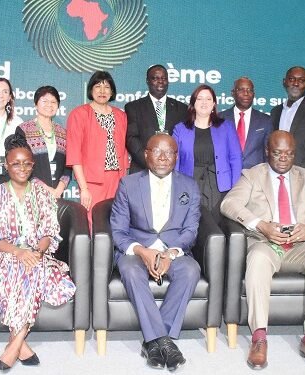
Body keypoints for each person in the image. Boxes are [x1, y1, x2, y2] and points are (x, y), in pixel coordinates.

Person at [221, 130, 305, 371]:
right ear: (267, 152)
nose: (284, 158)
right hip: (266, 244)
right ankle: (259, 337)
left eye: (289, 153)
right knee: (256, 258)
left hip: (300, 245)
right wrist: (261, 225)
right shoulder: (252, 175)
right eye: (278, 153)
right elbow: (229, 203)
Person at [0, 131, 75, 371]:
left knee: (30, 266)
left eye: (27, 163)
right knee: (16, 265)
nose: (22, 168)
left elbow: (49, 232)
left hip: (38, 255)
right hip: (5, 255)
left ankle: (15, 343)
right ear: (7, 165)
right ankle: (20, 343)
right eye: (16, 163)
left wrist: (37, 251)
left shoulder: (42, 195)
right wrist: (18, 252)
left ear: (33, 165)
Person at [110, 134, 201, 372]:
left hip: (173, 250)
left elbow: (191, 229)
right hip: (137, 250)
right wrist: (142, 251)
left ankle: (154, 341)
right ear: (146, 154)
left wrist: (170, 254)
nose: (162, 157)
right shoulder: (128, 184)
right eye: (157, 151)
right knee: (129, 270)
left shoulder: (189, 186)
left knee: (191, 270)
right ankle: (164, 341)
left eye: (169, 152)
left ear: (176, 156)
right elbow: (118, 231)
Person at [172, 84, 241, 224]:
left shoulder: (226, 127)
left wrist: (235, 190)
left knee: (218, 228)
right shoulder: (180, 129)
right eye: (199, 98)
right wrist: (177, 187)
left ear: (214, 104)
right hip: (190, 186)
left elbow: (236, 158)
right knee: (192, 226)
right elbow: (175, 161)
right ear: (193, 103)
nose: (204, 102)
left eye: (208, 99)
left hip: (221, 186)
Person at [66, 71, 128, 225]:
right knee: (93, 222)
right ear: (90, 89)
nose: (102, 91)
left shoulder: (121, 116)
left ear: (112, 91)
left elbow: (125, 151)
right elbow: (74, 154)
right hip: (92, 182)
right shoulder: (79, 114)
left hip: (117, 180)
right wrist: (84, 188)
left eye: (106, 87)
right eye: (98, 86)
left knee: (116, 222)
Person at [126, 64, 188, 173]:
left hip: (172, 170)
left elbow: (184, 142)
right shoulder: (133, 107)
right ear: (147, 81)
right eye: (155, 78)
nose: (160, 81)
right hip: (142, 169)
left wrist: (168, 163)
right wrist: (150, 161)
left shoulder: (182, 109)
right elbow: (131, 139)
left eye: (164, 78)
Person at [17, 86, 71, 198]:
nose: (49, 105)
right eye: (44, 101)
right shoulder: (23, 129)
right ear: (36, 104)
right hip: (31, 192)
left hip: (57, 193)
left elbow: (68, 165)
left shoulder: (63, 132)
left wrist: (60, 188)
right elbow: (21, 164)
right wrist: (44, 188)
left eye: (53, 102)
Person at [219, 77, 272, 169]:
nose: (246, 93)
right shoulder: (220, 118)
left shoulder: (265, 121)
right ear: (233, 93)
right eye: (241, 90)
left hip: (255, 177)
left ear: (253, 94)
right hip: (227, 174)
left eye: (249, 90)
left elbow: (269, 153)